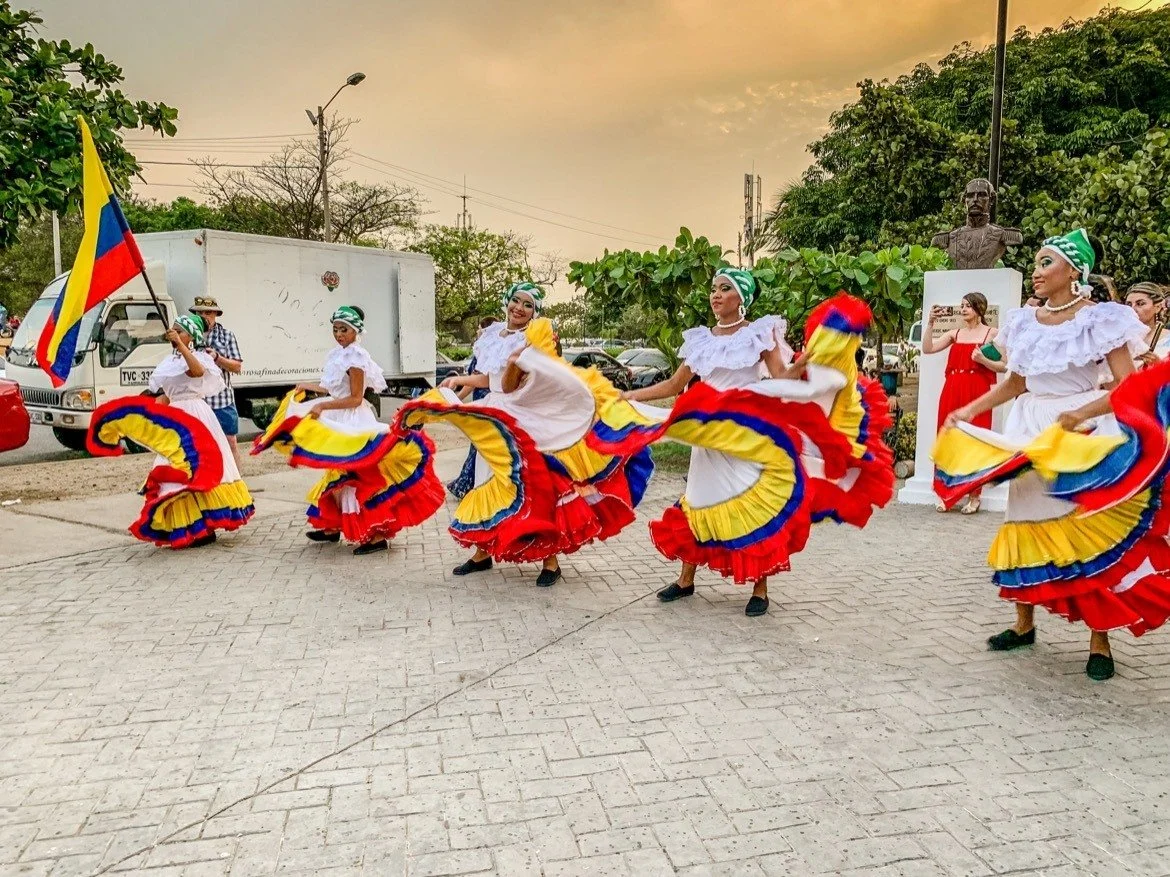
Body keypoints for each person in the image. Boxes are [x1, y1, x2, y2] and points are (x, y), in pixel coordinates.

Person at [935, 229, 1170, 681]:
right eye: (1038, 264)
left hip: (1078, 430)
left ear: (1073, 271)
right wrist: (969, 409)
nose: (1037, 273)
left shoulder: (1100, 320)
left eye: (1046, 263)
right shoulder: (1025, 322)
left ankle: (1099, 639)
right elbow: (1016, 383)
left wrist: (1081, 410)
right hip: (1028, 428)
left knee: (1083, 532)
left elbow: (1127, 387)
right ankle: (1023, 624)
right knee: (1023, 525)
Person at [399, 282, 649, 588]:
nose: (519, 307)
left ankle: (550, 560)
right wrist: (460, 379)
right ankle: (482, 552)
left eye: (528, 305)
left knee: (534, 486)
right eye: (516, 300)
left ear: (535, 312)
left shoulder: (535, 340)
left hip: (521, 418)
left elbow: (515, 384)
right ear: (506, 301)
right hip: (493, 414)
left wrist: (522, 359)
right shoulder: (493, 335)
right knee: (487, 482)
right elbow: (491, 380)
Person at [616, 268, 812, 616]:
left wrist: (807, 360)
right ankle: (686, 579)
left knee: (750, 503)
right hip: (707, 434)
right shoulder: (700, 341)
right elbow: (674, 386)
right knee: (699, 501)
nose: (716, 294)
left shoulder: (757, 335)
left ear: (741, 299)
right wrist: (630, 395)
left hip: (744, 434)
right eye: (713, 289)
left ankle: (760, 587)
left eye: (725, 289)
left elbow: (782, 376)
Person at [256, 306, 444, 555]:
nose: (339, 334)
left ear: (356, 331)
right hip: (338, 417)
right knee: (336, 473)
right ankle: (332, 526)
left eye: (344, 330)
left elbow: (355, 398)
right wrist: (308, 387)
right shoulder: (338, 354)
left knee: (357, 477)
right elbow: (332, 388)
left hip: (354, 420)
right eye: (335, 329)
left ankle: (375, 534)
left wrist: (323, 405)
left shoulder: (356, 358)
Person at [87, 313, 254, 548]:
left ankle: (206, 527)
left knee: (197, 469)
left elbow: (196, 372)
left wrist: (183, 347)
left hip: (196, 417)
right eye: (173, 329)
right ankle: (190, 526)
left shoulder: (200, 357)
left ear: (191, 336)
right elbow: (167, 394)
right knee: (174, 469)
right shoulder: (169, 363)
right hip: (176, 419)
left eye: (180, 330)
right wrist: (146, 418)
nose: (173, 333)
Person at [922, 293, 1000, 514]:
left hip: (977, 392)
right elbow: (928, 349)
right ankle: (946, 493)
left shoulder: (991, 334)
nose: (964, 309)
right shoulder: (954, 334)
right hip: (953, 388)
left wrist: (983, 360)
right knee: (948, 439)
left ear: (979, 308)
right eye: (962, 306)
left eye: (968, 306)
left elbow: (1004, 365)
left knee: (975, 440)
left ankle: (974, 495)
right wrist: (930, 323)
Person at [190, 296, 244, 471]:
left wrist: (217, 357)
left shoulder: (227, 335)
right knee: (199, 444)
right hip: (198, 399)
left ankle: (237, 482)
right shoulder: (188, 336)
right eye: (199, 312)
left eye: (208, 312)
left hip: (222, 399)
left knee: (230, 441)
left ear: (216, 314)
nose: (204, 316)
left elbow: (237, 366)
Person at [446, 316, 496, 499]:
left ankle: (469, 485)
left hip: (487, 401)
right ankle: (471, 485)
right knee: (479, 447)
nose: (476, 331)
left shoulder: (492, 350)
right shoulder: (484, 350)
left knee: (481, 445)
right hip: (484, 399)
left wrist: (456, 398)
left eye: (479, 328)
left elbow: (479, 381)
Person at [1124, 282, 1169, 368]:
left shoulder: (1168, 339)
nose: (1133, 309)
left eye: (1140, 304)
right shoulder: (1120, 338)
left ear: (1158, 307)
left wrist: (1159, 365)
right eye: (1129, 304)